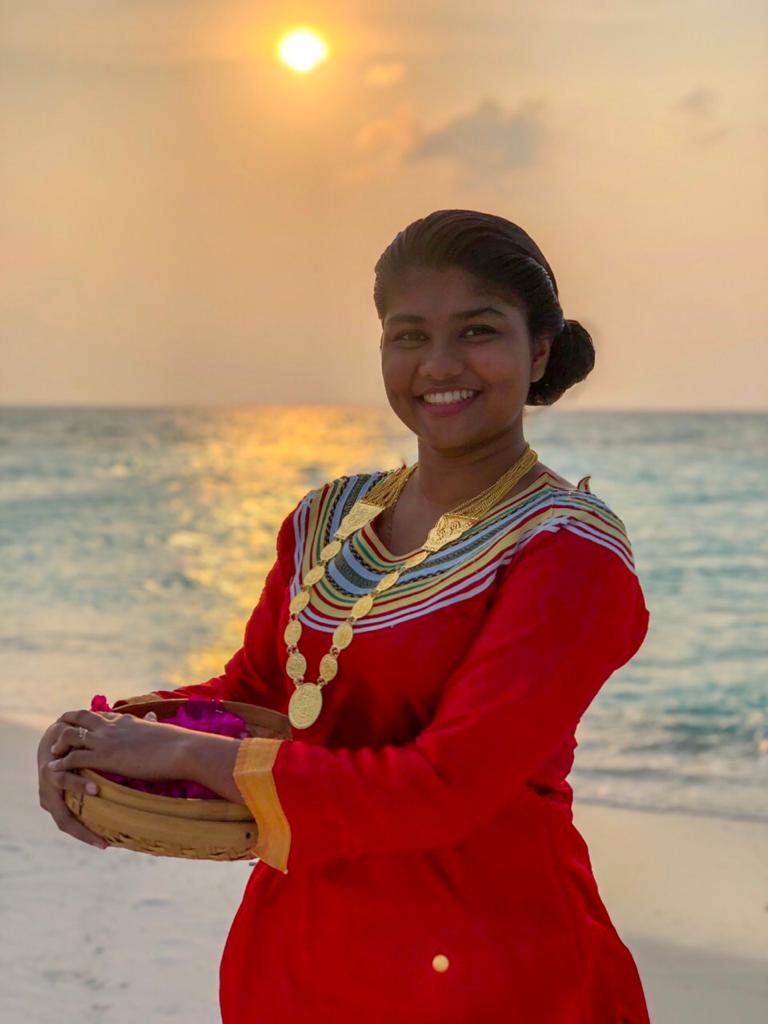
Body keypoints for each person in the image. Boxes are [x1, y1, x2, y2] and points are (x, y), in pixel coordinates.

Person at [37, 209, 652, 1022]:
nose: (439, 364)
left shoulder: (570, 554)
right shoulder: (327, 519)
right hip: (298, 961)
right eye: (408, 336)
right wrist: (106, 740)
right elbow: (255, 690)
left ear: (538, 349)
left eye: (477, 331)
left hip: (487, 972)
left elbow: (443, 789)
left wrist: (179, 751)